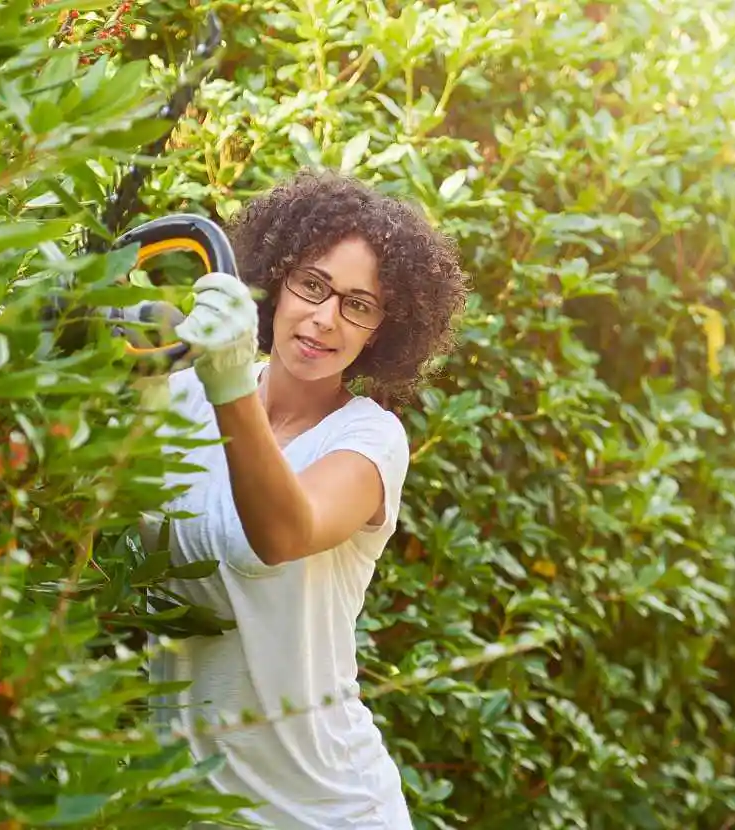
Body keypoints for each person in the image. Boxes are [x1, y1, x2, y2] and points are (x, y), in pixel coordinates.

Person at [140, 170, 469, 829]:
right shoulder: (182, 397)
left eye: (360, 304)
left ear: (381, 330)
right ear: (277, 279)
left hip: (324, 812)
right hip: (189, 806)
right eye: (313, 285)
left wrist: (230, 380)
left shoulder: (369, 441)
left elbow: (283, 533)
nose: (326, 318)